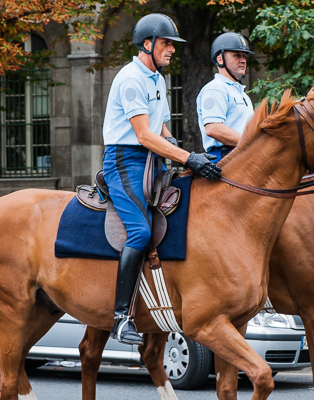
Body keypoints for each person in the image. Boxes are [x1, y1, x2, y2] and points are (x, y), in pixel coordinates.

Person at [102, 13, 221, 345]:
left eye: (172, 45)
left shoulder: (157, 78)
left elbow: (161, 131)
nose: (172, 50)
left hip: (152, 159)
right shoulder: (131, 79)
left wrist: (183, 153)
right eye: (167, 44)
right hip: (125, 161)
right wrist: (188, 158)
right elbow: (142, 135)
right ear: (148, 44)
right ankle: (121, 318)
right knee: (140, 231)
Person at [196, 32, 256, 163]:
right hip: (224, 158)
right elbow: (213, 128)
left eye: (244, 56)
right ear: (220, 59)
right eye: (236, 55)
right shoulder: (215, 88)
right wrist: (251, 143)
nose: (243, 60)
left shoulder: (243, 95)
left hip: (244, 155)